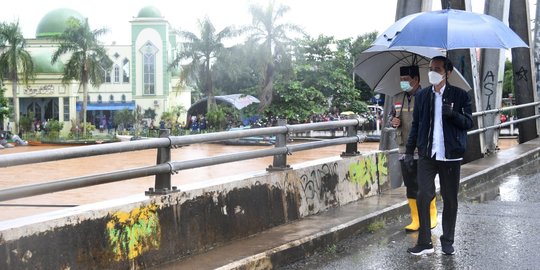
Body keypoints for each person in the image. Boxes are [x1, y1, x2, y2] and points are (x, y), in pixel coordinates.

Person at [405, 56, 473, 256]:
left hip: (450, 155)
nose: (432, 72)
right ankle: (425, 242)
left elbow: (469, 123)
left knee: (450, 199)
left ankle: (447, 240)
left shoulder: (461, 96)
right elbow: (416, 125)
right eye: (430, 68)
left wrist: (453, 114)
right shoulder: (423, 95)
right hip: (428, 153)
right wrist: (409, 151)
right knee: (423, 195)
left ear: (448, 73)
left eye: (437, 69)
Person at [388, 65, 437, 233]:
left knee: (424, 183)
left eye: (406, 80)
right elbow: (390, 117)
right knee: (410, 184)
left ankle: (431, 215)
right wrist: (393, 121)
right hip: (403, 148)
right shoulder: (397, 98)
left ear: (416, 80)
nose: (403, 83)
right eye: (401, 80)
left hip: (422, 147)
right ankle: (415, 219)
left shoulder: (428, 96)